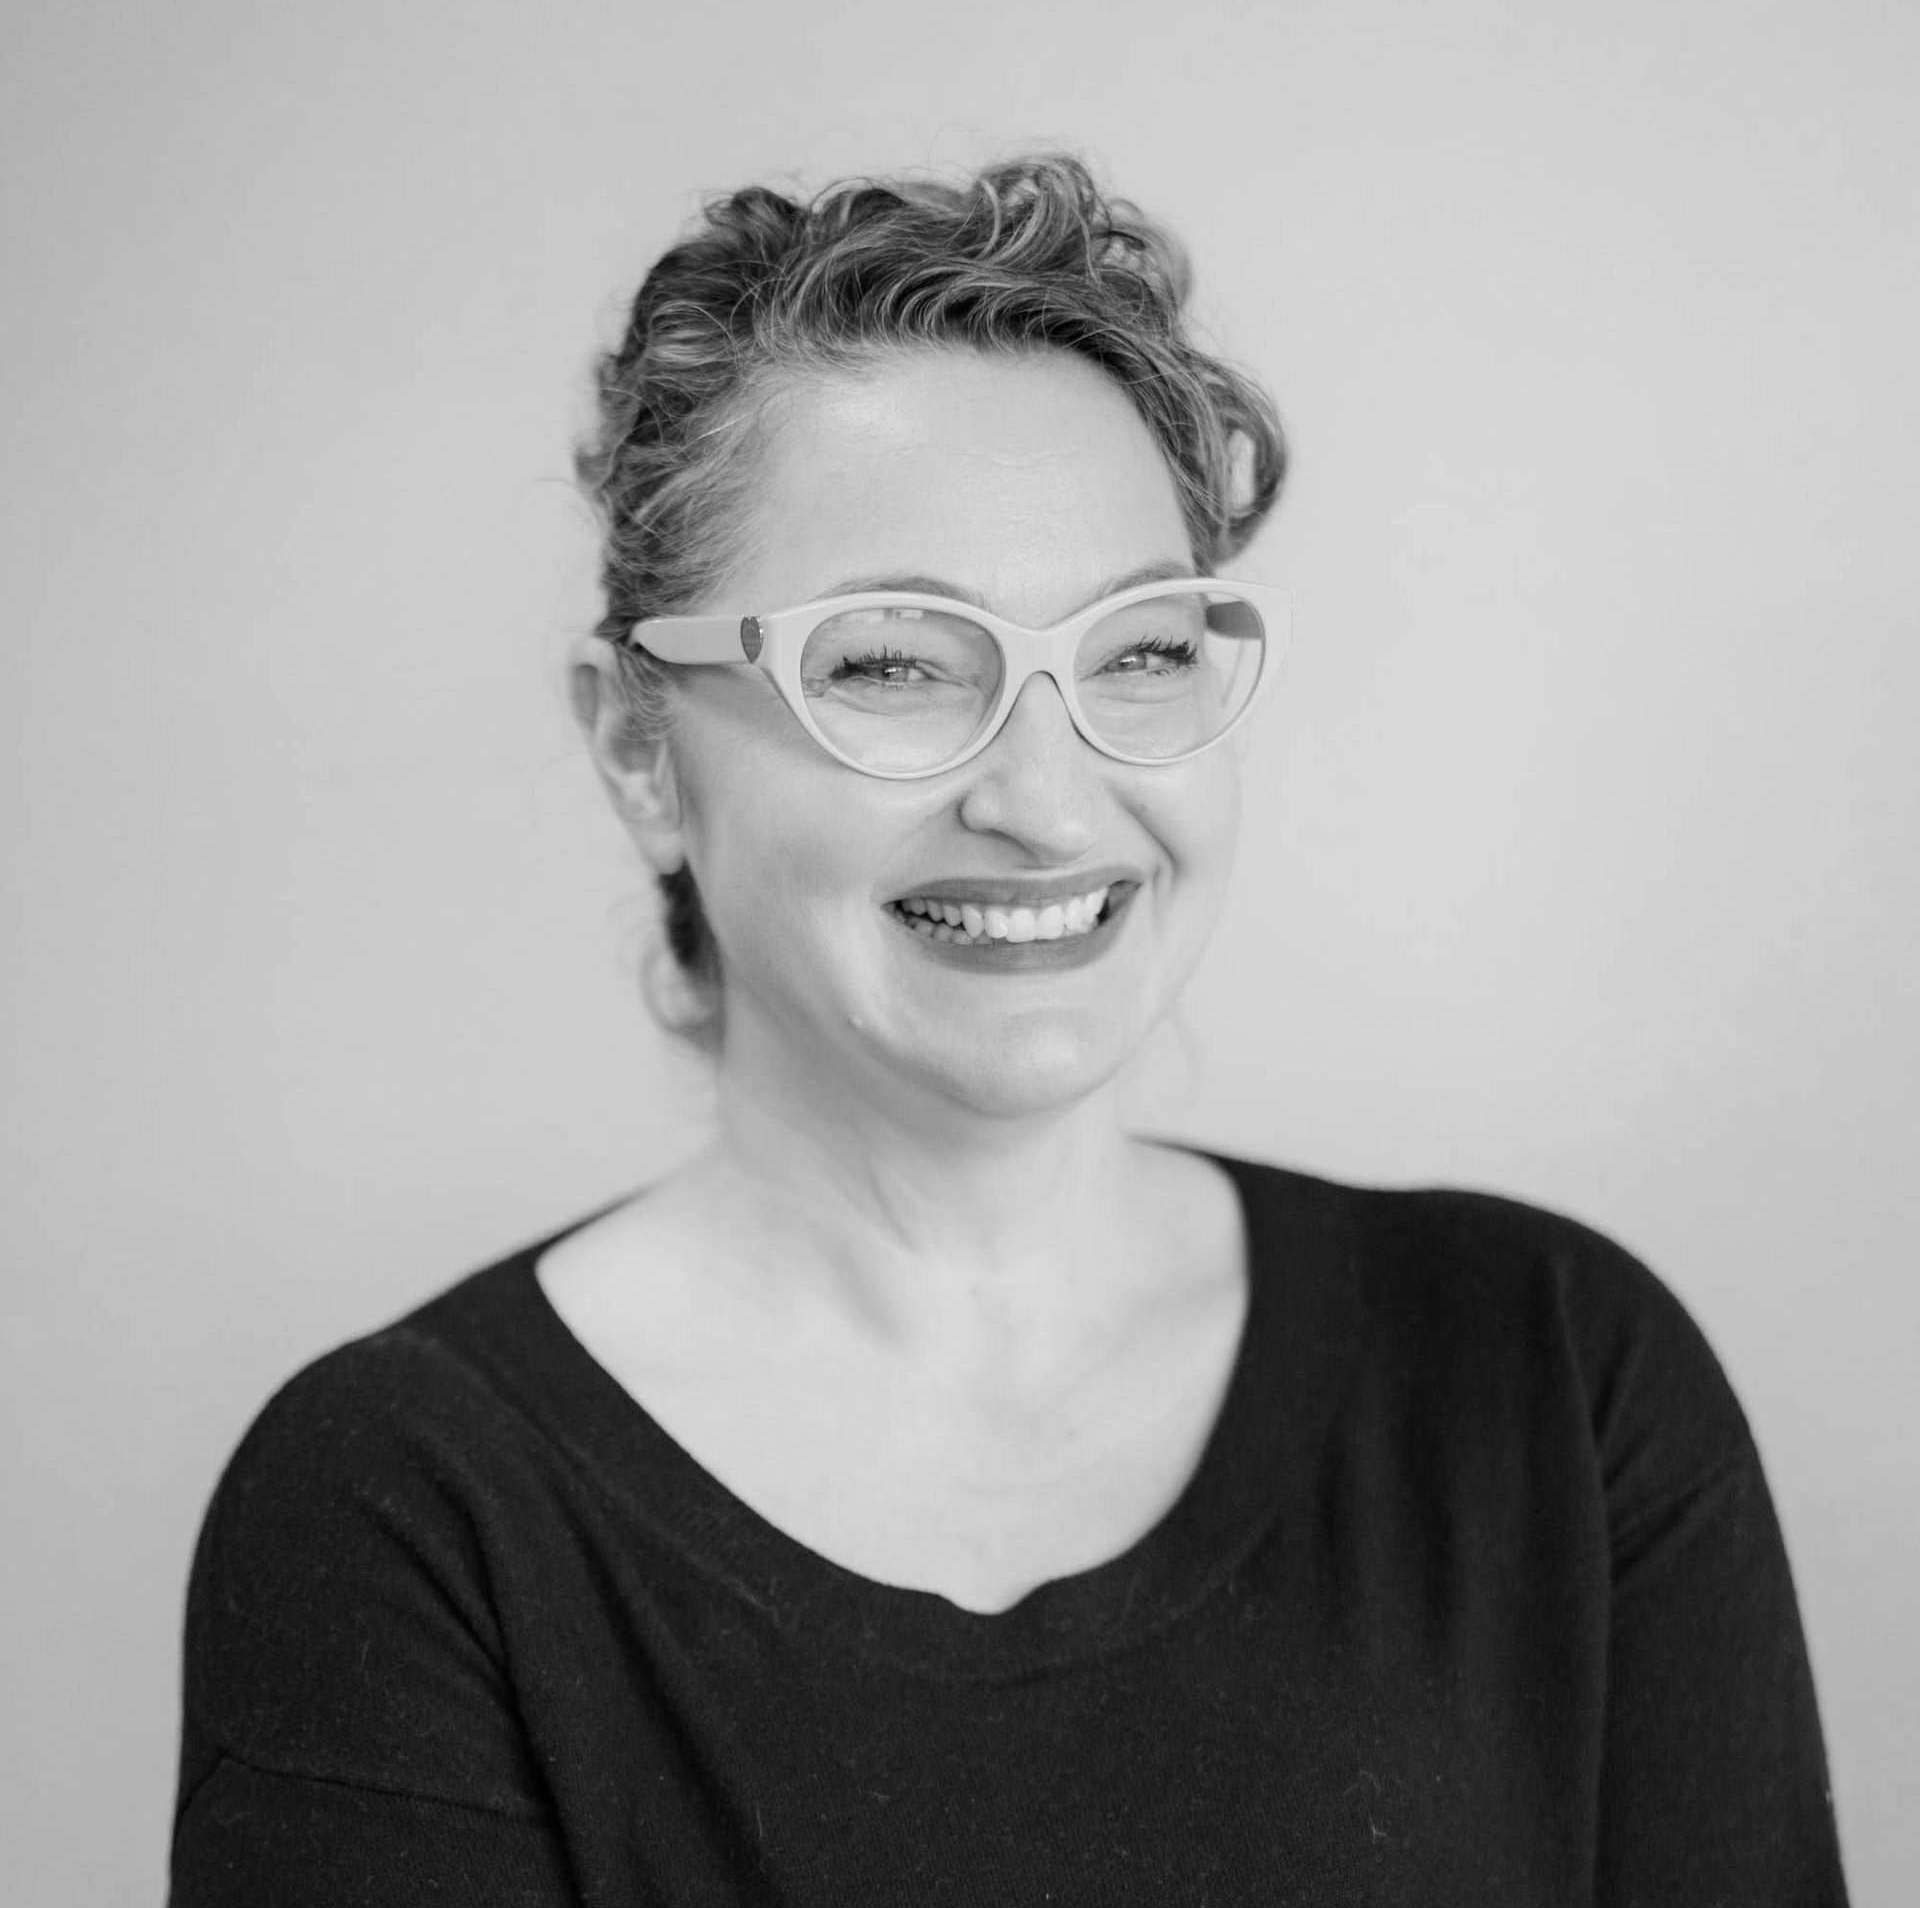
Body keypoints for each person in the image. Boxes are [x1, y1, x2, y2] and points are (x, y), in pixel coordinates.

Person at [168, 154, 1849, 1905]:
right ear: (637, 750)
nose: (1047, 807)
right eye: (894, 662)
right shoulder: (406, 1511)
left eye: (1139, 652)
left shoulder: (1551, 1380)